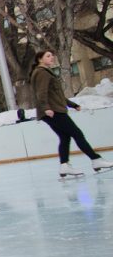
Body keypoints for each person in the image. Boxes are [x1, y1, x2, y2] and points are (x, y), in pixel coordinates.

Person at [32, 50, 111, 178]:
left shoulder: (45, 72)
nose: (52, 57)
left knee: (65, 137)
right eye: (48, 56)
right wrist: (46, 108)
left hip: (52, 110)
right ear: (40, 59)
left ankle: (64, 166)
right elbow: (41, 93)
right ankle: (96, 159)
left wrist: (72, 104)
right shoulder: (42, 73)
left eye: (52, 55)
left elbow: (57, 95)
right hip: (53, 111)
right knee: (76, 133)